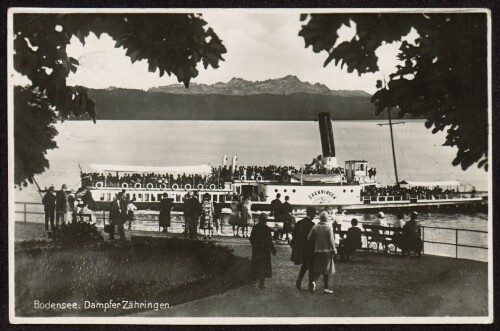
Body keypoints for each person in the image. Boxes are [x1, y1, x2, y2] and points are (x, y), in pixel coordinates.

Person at [308, 211, 336, 294]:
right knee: (326, 271)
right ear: (327, 218)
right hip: (327, 251)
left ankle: (313, 282)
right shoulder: (329, 227)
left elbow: (309, 238)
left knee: (318, 269)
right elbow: (331, 241)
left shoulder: (315, 227)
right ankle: (326, 288)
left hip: (317, 251)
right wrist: (334, 250)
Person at [290, 207, 316, 290]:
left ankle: (299, 279)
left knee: (305, 264)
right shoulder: (312, 225)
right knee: (311, 265)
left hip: (301, 248)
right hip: (309, 248)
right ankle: (310, 285)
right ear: (312, 214)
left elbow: (293, 233)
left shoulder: (299, 222)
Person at [250, 213, 277, 289]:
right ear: (265, 220)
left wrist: (254, 246)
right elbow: (269, 241)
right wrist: (273, 250)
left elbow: (251, 238)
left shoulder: (255, 227)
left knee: (256, 264)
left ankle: (254, 282)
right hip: (265, 251)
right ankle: (262, 284)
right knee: (264, 266)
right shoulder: (267, 229)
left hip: (256, 250)